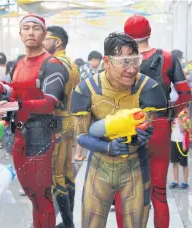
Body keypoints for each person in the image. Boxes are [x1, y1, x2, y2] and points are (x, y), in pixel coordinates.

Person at [70, 32, 167, 228]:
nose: (132, 69)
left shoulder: (148, 87)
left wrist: (143, 135)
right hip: (99, 167)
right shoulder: (86, 89)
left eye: (135, 61)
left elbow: (146, 130)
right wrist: (107, 148)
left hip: (135, 166)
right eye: (124, 62)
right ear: (107, 61)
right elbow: (81, 136)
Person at [122, 15, 192, 228]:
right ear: (149, 33)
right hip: (159, 125)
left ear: (125, 37)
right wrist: (169, 114)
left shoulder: (119, 61)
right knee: (159, 193)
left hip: (126, 126)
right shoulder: (168, 58)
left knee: (126, 194)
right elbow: (185, 94)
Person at [9, 14, 68, 228]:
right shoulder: (18, 64)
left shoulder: (52, 64)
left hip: (42, 135)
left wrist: (19, 105)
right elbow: (12, 95)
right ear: (20, 34)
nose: (31, 32)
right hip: (19, 136)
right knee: (32, 196)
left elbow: (50, 102)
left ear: (44, 34)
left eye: (36, 28)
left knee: (42, 197)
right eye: (26, 28)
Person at [43, 25, 80, 228]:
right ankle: (69, 221)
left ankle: (68, 223)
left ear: (57, 42)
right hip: (69, 120)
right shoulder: (71, 63)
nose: (42, 42)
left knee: (57, 175)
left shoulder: (55, 63)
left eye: (46, 39)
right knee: (67, 172)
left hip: (56, 121)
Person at [169, 105, 191, 190]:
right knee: (174, 162)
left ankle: (185, 182)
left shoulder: (186, 118)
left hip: (183, 142)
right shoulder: (172, 117)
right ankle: (176, 180)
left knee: (184, 163)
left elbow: (183, 130)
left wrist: (180, 120)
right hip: (173, 141)